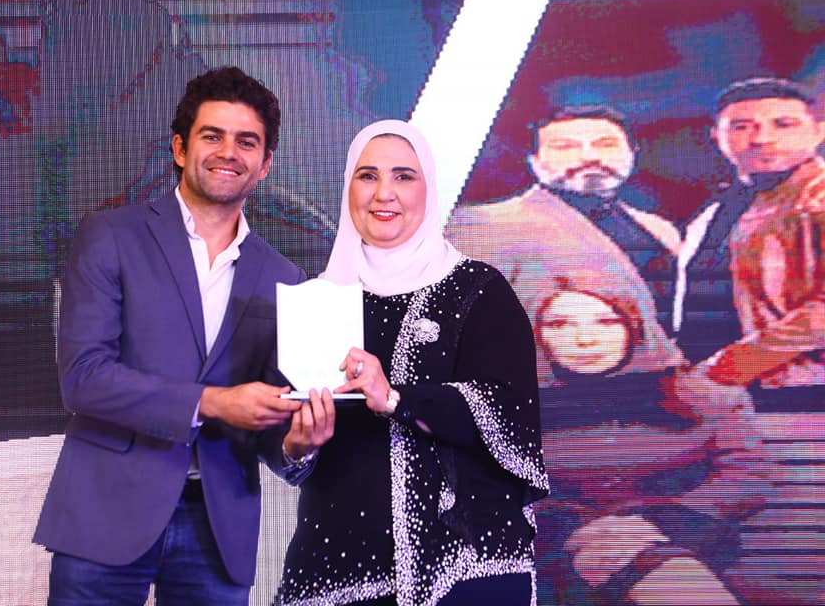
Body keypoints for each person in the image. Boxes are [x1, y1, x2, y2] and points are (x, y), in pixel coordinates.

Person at [33, 66, 334, 605]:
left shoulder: (283, 276)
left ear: (265, 164)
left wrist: (296, 444)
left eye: (246, 142)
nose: (228, 152)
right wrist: (213, 402)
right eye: (212, 136)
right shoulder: (110, 236)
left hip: (217, 528)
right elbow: (84, 379)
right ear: (179, 148)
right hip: (106, 509)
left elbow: (267, 424)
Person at [275, 120, 549, 606]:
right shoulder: (316, 302)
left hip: (468, 566)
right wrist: (296, 447)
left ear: (429, 189)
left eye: (403, 176)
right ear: (348, 189)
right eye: (367, 176)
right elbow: (283, 436)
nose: (384, 193)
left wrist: (396, 398)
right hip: (338, 567)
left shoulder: (477, 291)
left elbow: (510, 412)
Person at [530, 271, 770, 606]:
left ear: (636, 326)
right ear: (538, 335)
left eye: (607, 322)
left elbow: (747, 477)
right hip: (550, 549)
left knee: (621, 552)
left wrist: (652, 520)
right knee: (606, 553)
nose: (584, 339)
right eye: (559, 325)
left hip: (679, 535)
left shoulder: (707, 395)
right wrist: (579, 526)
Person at [446, 105, 680, 334]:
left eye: (606, 145)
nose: (590, 157)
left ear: (632, 153)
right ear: (534, 161)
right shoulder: (485, 225)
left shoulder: (659, 229)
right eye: (565, 147)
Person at [674, 77, 825, 397]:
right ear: (717, 136)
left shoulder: (817, 198)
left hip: (802, 391)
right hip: (717, 394)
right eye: (741, 127)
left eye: (783, 124)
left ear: (819, 131)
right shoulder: (717, 210)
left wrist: (731, 366)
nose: (761, 139)